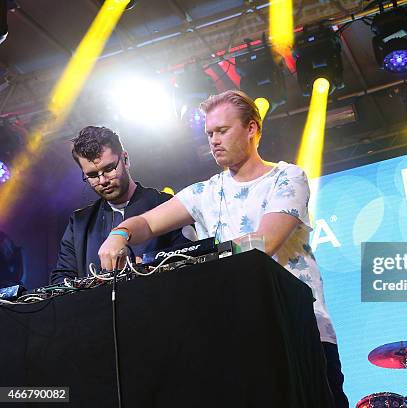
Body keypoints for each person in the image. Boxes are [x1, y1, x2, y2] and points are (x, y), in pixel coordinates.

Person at [98, 90, 349, 408]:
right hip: (235, 336)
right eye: (209, 133)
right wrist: (119, 234)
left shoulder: (287, 177)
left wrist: (194, 262)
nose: (213, 140)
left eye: (222, 131)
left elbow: (264, 243)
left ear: (251, 129)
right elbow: (145, 224)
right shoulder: (204, 192)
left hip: (300, 329)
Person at [49, 126, 190, 285]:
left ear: (125, 159)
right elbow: (61, 280)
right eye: (92, 175)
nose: (102, 181)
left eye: (109, 169)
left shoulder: (166, 205)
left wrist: (147, 270)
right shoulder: (79, 223)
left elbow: (191, 260)